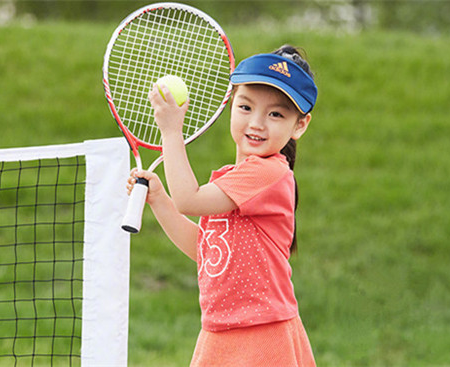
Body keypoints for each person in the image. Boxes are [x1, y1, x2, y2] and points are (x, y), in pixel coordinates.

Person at [127, 45, 318, 366]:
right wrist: (159, 200)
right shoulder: (234, 179)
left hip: (263, 335)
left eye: (276, 114)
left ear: (300, 125)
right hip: (220, 331)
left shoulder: (269, 173)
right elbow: (206, 251)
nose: (257, 123)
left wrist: (171, 131)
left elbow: (188, 199)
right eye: (246, 107)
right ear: (230, 104)